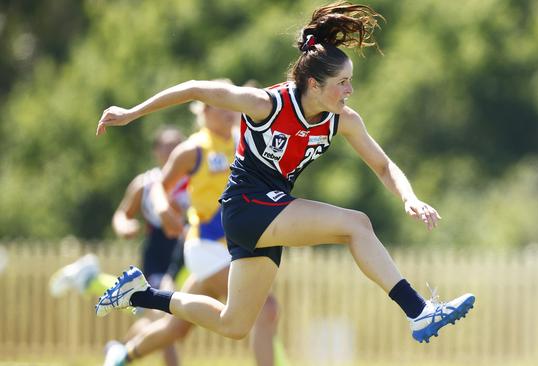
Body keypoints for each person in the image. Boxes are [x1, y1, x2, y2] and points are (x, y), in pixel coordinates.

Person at [95, 1, 475, 344]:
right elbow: (196, 88)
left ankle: (140, 293)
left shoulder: (342, 120)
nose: (350, 90)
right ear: (313, 84)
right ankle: (419, 311)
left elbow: (383, 165)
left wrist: (409, 197)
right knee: (356, 224)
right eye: (342, 83)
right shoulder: (266, 104)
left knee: (234, 324)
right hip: (247, 205)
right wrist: (131, 113)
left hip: (262, 213)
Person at [103, 80, 289, 366]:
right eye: (221, 102)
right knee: (266, 310)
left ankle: (122, 355)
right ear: (204, 109)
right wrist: (164, 209)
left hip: (228, 249)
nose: (229, 108)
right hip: (204, 247)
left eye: (231, 102)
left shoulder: (240, 140)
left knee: (176, 327)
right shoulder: (194, 148)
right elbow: (157, 187)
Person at [50, 126, 187, 366]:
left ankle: (118, 350)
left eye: (178, 145)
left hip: (187, 257)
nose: (173, 151)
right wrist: (125, 226)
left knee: (152, 317)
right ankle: (91, 280)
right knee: (163, 317)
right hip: (159, 257)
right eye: (167, 146)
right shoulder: (146, 184)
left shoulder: (194, 179)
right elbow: (122, 214)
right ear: (156, 151)